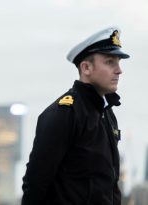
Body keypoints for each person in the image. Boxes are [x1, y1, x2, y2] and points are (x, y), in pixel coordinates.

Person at [21, 27, 129, 205]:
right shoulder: (63, 113)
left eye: (118, 63)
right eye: (110, 62)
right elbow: (35, 182)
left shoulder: (106, 112)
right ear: (86, 68)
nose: (119, 70)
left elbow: (110, 184)